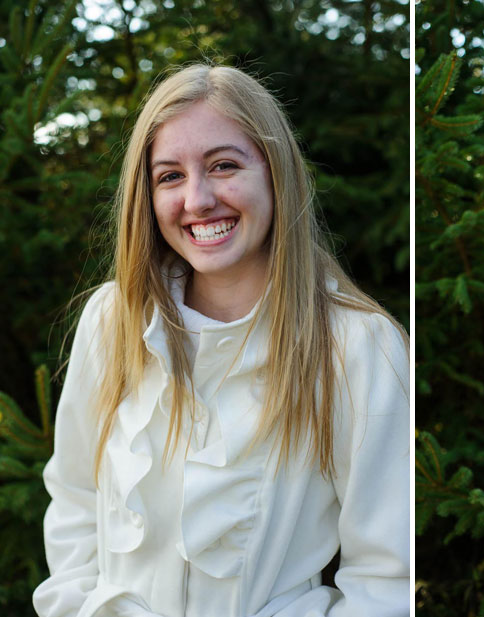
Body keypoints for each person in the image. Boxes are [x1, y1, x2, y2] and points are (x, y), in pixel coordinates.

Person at [32, 64, 410, 617]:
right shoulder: (111, 319)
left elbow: (387, 578)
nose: (198, 199)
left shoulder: (357, 347)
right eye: (170, 176)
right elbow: (73, 502)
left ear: (276, 173)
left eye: (224, 165)